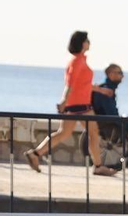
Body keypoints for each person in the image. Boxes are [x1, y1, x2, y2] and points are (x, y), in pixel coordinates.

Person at [25, 31, 114, 176]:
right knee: (93, 133)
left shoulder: (81, 60)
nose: (89, 42)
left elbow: (83, 84)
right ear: (82, 43)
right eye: (87, 40)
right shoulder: (77, 61)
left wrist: (101, 91)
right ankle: (98, 166)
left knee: (64, 133)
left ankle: (35, 154)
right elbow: (70, 83)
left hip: (77, 104)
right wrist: (63, 101)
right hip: (80, 106)